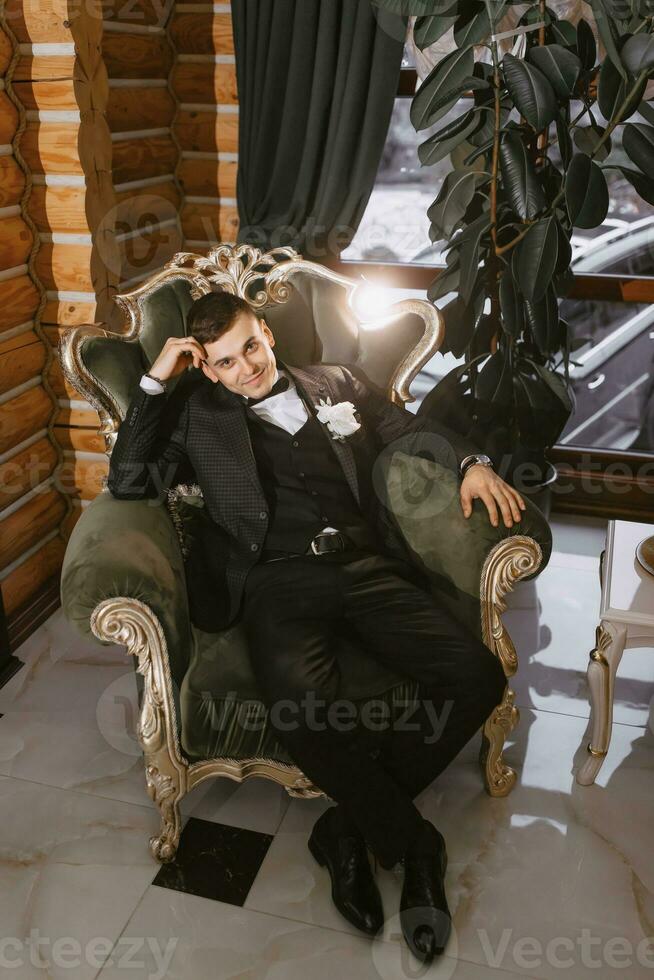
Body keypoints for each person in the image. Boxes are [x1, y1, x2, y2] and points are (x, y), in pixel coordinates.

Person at [107, 291, 525, 964]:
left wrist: (471, 463)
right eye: (223, 361)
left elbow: (404, 426)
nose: (245, 366)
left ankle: (344, 828)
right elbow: (127, 480)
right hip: (275, 581)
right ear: (206, 369)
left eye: (250, 345)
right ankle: (416, 845)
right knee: (301, 707)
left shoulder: (337, 382)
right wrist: (158, 380)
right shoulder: (195, 413)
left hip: (364, 565)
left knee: (477, 673)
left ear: (266, 332)